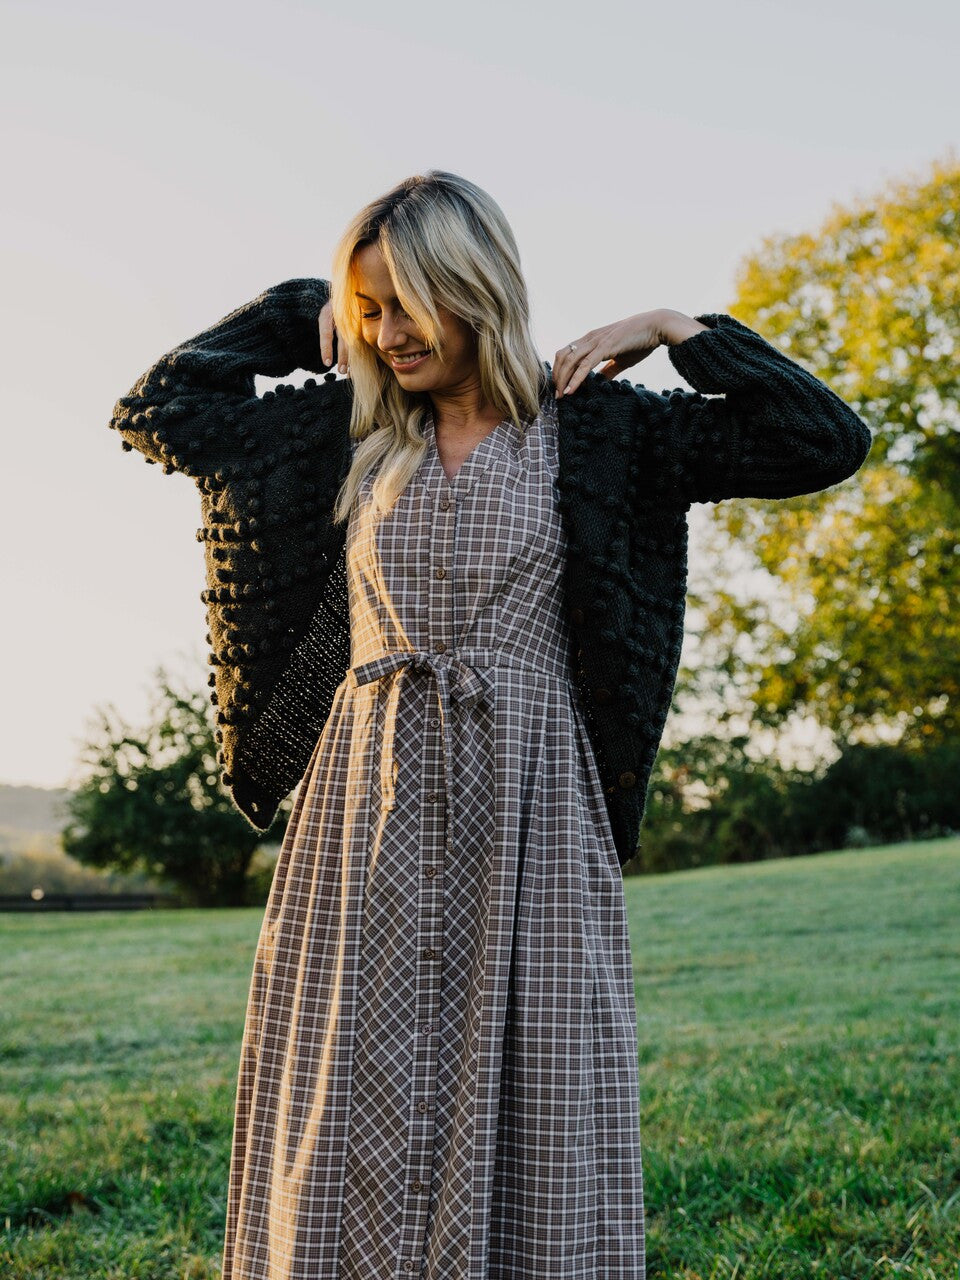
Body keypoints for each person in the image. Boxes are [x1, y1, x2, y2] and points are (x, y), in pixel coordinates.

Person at [109, 169, 872, 1280]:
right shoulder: (346, 429)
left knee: (542, 1080)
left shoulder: (601, 432)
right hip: (361, 808)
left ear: (476, 286)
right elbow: (158, 411)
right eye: (366, 306)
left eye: (406, 301)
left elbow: (822, 437)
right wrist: (291, 310)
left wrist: (679, 329)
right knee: (349, 1082)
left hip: (536, 803)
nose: (386, 330)